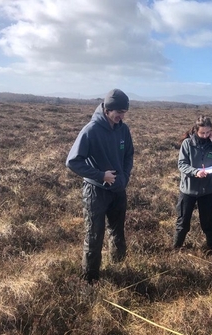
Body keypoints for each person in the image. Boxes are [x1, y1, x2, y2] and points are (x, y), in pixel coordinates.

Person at [66, 88, 134, 284]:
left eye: (124, 112)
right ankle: (90, 279)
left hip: (118, 190)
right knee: (94, 235)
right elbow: (73, 161)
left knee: (118, 230)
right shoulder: (91, 130)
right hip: (95, 192)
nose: (121, 116)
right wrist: (100, 175)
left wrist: (124, 176)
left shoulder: (124, 129)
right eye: (118, 112)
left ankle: (120, 267)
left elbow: (129, 155)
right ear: (107, 110)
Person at [173, 115, 212, 254]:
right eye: (202, 133)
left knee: (208, 222)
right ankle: (175, 249)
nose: (205, 135)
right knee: (183, 222)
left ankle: (211, 249)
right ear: (195, 131)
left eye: (208, 132)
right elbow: (182, 165)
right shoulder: (187, 144)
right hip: (188, 189)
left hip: (208, 190)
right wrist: (195, 172)